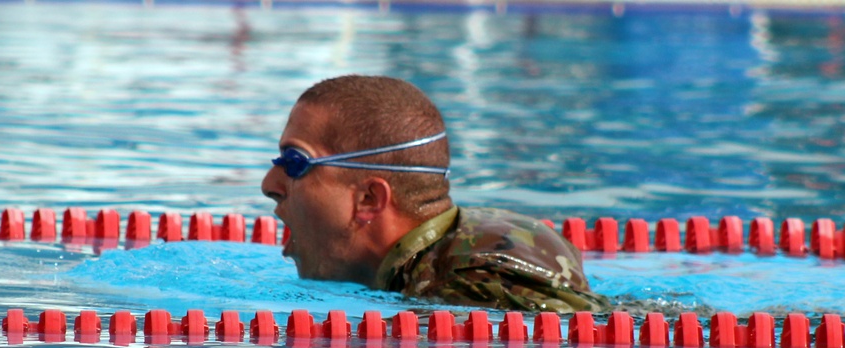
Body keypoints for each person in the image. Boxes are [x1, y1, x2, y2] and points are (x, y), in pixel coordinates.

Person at [261, 75, 609, 313]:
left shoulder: (466, 288)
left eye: (295, 163)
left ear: (369, 199)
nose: (269, 184)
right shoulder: (472, 235)